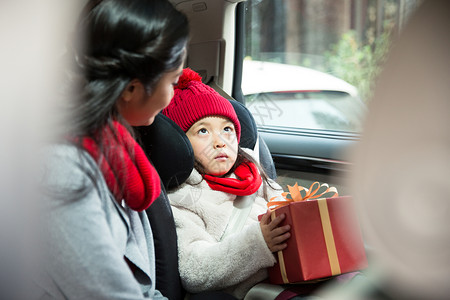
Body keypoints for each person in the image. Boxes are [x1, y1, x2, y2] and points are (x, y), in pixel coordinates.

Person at [38, 0, 188, 299]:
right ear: (131, 88)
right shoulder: (60, 170)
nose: (172, 96)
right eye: (172, 81)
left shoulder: (111, 146)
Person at [161, 68, 292, 299]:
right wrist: (259, 242)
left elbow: (286, 209)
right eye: (202, 131)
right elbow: (195, 271)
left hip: (288, 281)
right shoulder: (183, 199)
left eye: (227, 130)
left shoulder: (254, 177)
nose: (220, 142)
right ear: (180, 144)